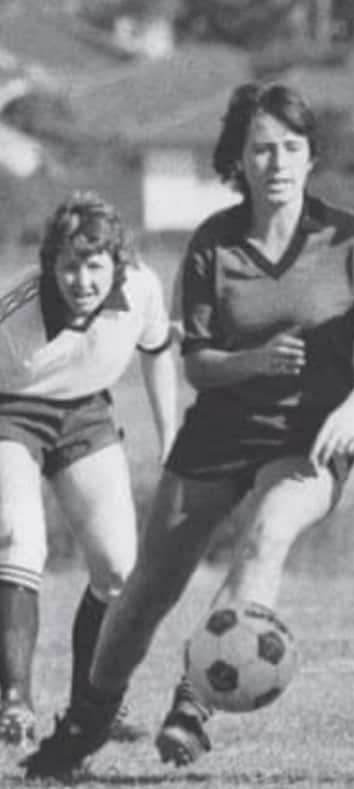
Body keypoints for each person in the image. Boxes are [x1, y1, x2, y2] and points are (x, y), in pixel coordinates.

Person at [22, 81, 354, 780]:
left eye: (292, 147)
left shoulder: (350, 241)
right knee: (142, 596)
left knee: (268, 534)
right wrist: (252, 361)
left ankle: (194, 702)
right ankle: (85, 724)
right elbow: (196, 363)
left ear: (312, 155)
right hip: (221, 430)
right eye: (262, 149)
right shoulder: (212, 245)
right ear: (240, 160)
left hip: (310, 438)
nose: (279, 162)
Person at [0, 192, 176, 749]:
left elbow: (159, 351)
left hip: (84, 413)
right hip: (10, 411)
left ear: (116, 264)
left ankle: (92, 707)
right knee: (19, 541)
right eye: (69, 266)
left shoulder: (142, 288)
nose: (81, 280)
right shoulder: (15, 315)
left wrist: (171, 438)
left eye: (94, 265)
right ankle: (13, 701)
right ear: (50, 265)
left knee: (119, 568)